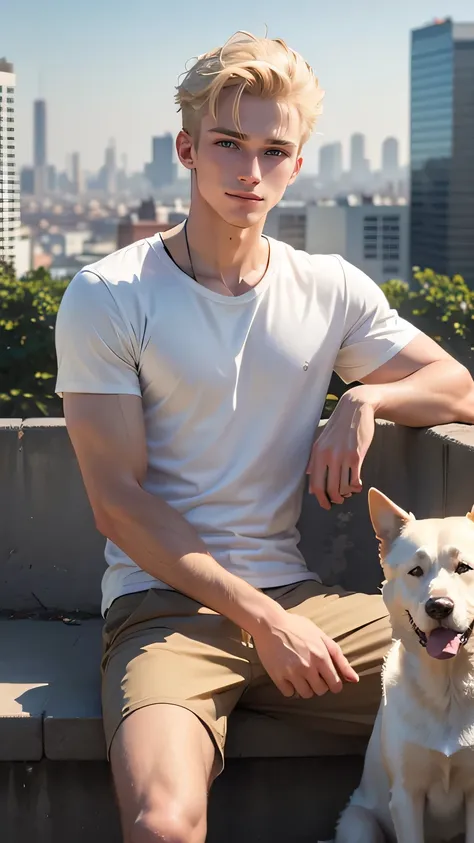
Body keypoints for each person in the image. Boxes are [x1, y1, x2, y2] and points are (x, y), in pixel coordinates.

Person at [55, 30, 474, 843]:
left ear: (298, 163)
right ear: (187, 148)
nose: (250, 171)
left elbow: (459, 386)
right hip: (163, 611)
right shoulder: (109, 295)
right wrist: (262, 620)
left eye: (274, 150)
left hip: (300, 601)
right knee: (163, 824)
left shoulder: (328, 288)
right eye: (228, 145)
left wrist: (365, 399)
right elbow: (118, 503)